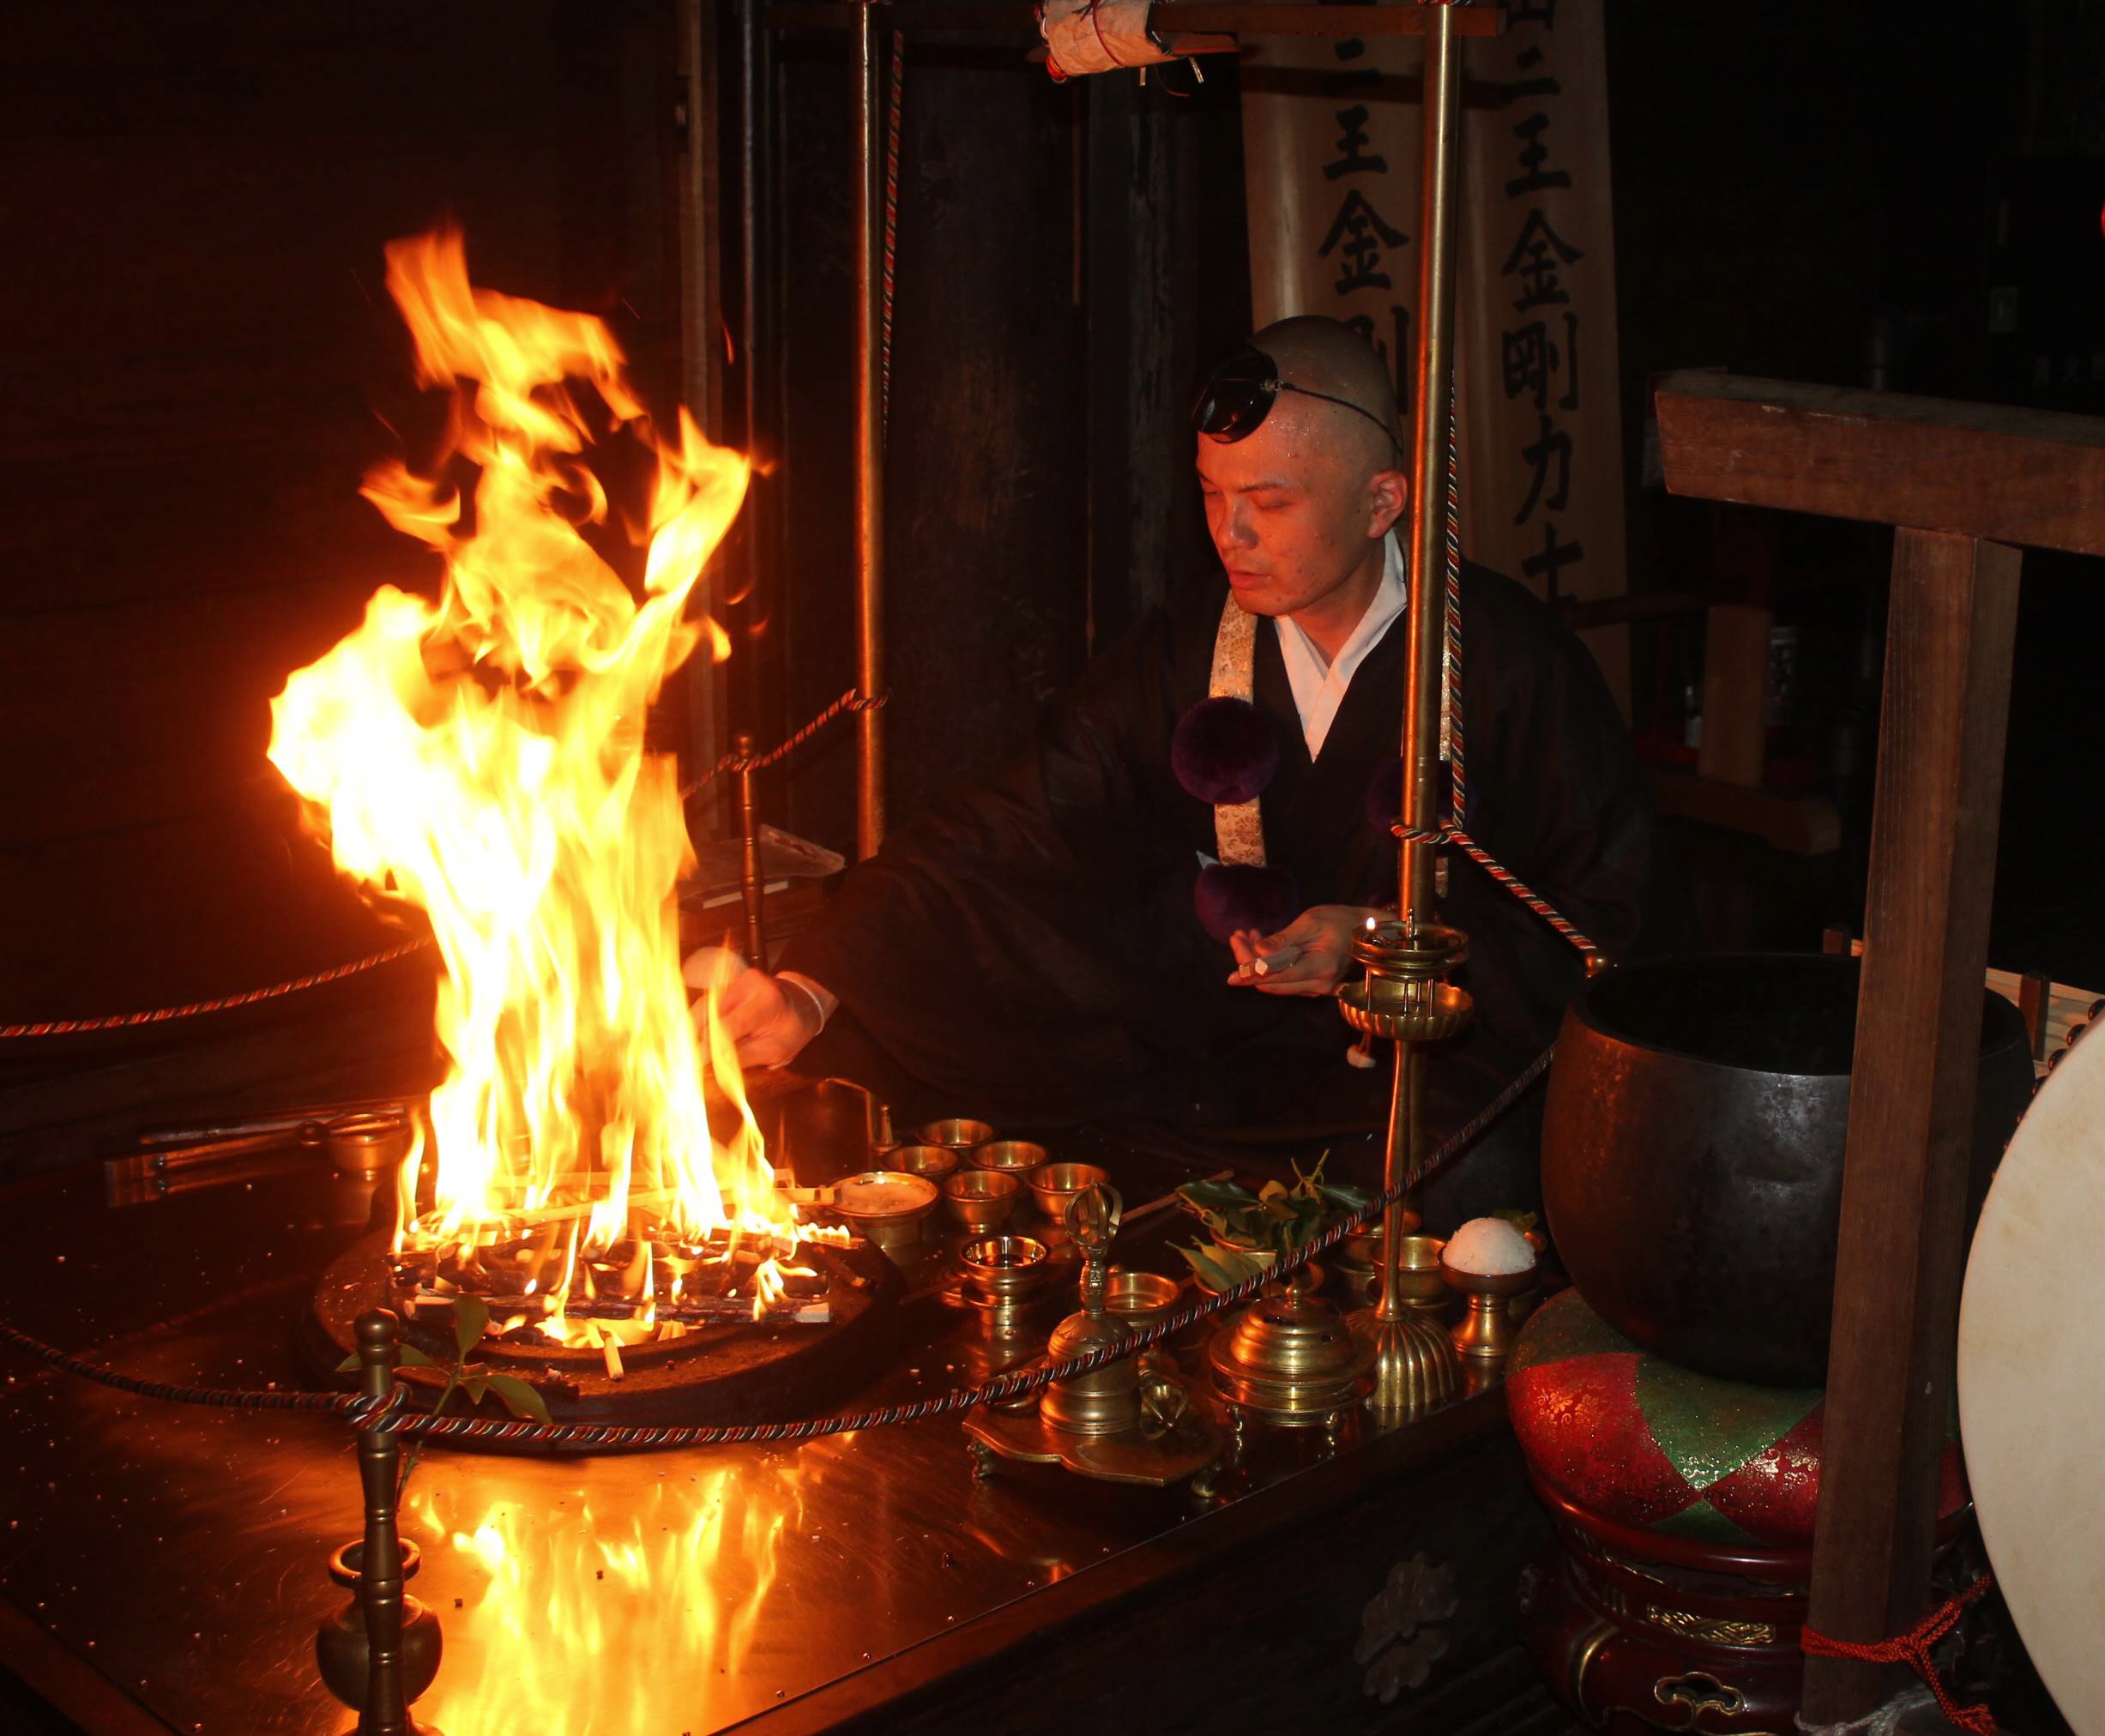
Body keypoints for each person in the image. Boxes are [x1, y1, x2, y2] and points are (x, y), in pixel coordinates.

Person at [697, 316, 1689, 1190]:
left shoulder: (1508, 660)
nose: (1233, 532)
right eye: (1212, 493)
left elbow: (1617, 932)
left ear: (1383, 501)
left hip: (1412, 1073)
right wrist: (809, 982)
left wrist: (1385, 937)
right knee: (905, 1001)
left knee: (1474, 1167)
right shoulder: (1193, 645)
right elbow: (1012, 824)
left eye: (1273, 501)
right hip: (1210, 1042)